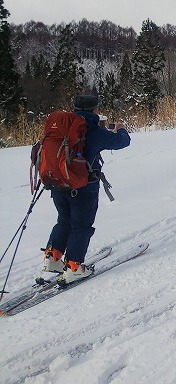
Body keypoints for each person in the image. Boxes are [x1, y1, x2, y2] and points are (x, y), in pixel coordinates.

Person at [42, 94, 131, 284]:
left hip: (58, 183)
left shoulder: (66, 128)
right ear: (95, 110)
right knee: (81, 226)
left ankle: (53, 257)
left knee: (64, 220)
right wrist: (121, 129)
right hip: (84, 187)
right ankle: (74, 266)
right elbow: (123, 142)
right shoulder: (92, 130)